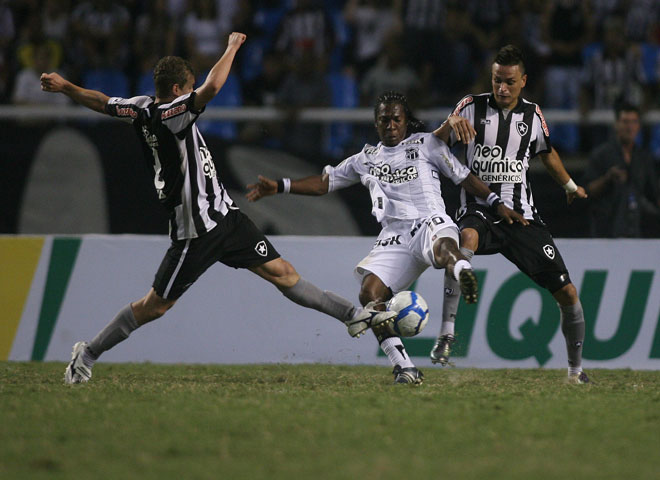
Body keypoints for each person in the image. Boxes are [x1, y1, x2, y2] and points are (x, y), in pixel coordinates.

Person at [41, 32, 396, 384]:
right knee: (155, 306)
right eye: (189, 86)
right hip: (195, 233)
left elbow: (102, 101)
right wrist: (232, 47)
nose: (193, 91)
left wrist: (66, 86)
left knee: (283, 273)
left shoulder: (140, 107)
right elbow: (211, 88)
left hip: (225, 216)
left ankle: (352, 315)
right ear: (179, 89)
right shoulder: (170, 116)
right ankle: (86, 352)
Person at [246, 90, 527, 384]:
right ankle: (404, 367)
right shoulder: (365, 158)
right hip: (394, 236)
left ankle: (462, 270)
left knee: (444, 248)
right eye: (384, 120)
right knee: (370, 295)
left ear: (406, 122)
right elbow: (323, 183)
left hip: (429, 219)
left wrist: (496, 201)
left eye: (396, 119)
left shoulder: (427, 144)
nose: (390, 124)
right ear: (376, 123)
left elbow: (464, 178)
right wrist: (280, 186)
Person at [431, 44, 591, 384]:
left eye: (509, 82)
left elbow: (547, 154)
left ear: (523, 81)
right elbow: (434, 145)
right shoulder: (470, 107)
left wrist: (570, 186)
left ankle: (576, 374)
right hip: (478, 206)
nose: (501, 88)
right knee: (466, 240)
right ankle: (446, 334)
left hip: (522, 216)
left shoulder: (533, 116)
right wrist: (449, 124)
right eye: (496, 80)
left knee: (568, 293)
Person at [582, 101, 660, 237]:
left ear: (638, 126)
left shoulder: (643, 158)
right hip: (606, 230)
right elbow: (585, 192)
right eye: (625, 122)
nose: (629, 127)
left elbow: (653, 193)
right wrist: (608, 179)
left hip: (636, 230)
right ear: (616, 125)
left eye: (634, 122)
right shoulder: (601, 155)